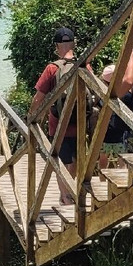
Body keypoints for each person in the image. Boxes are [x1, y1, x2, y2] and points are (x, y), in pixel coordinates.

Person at [29, 27, 80, 204]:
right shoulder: (84, 65)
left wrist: (31, 117)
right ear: (73, 43)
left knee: (60, 160)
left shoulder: (52, 68)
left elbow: (38, 98)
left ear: (57, 46)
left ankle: (65, 196)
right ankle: (71, 192)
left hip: (58, 124)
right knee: (74, 159)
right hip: (80, 122)